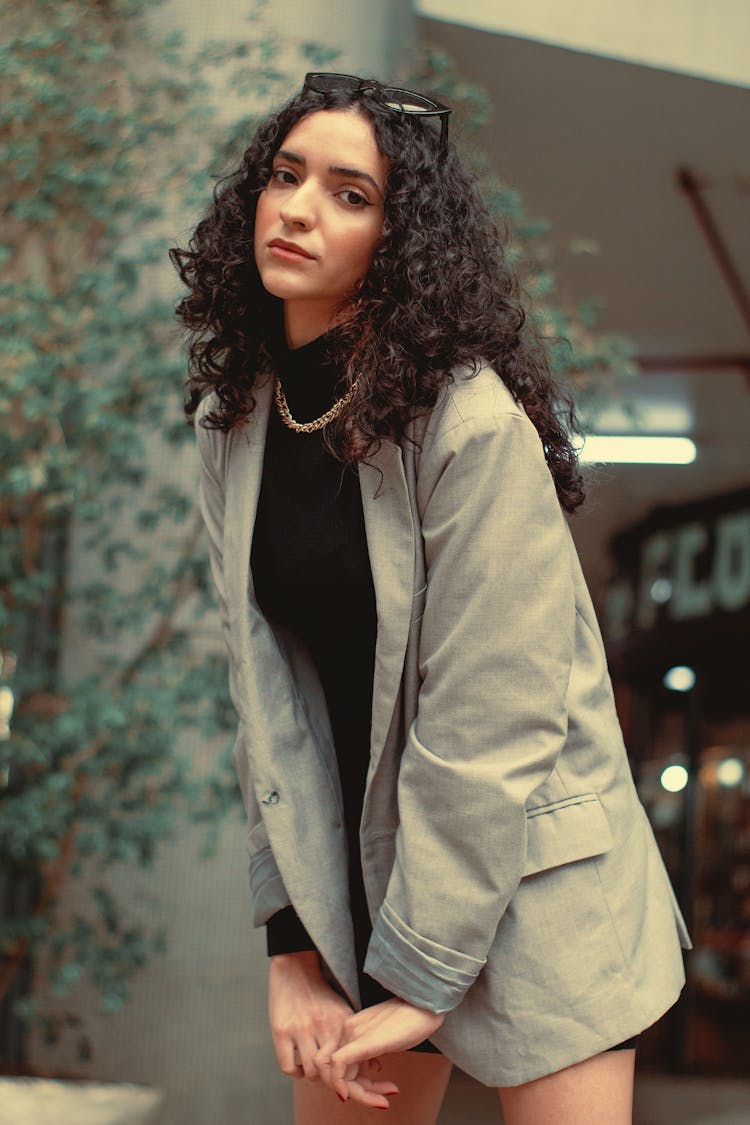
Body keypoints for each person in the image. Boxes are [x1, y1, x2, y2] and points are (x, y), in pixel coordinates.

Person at [170, 72, 690, 1125]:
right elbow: (265, 705)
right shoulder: (236, 424)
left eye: (350, 193)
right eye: (286, 175)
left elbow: (494, 714)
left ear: (400, 243)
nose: (301, 207)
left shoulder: (468, 422)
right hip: (372, 877)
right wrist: (294, 948)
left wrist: (419, 970)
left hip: (537, 874)